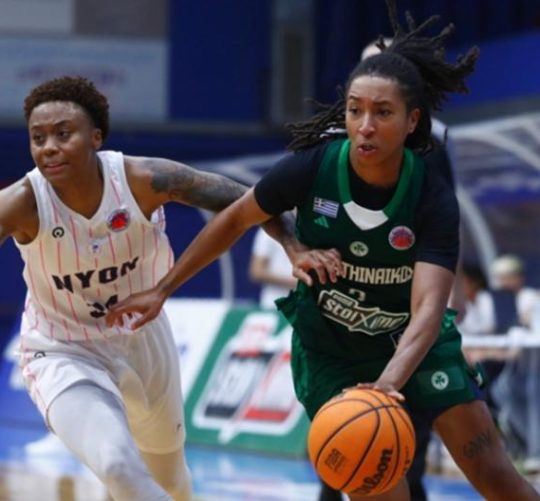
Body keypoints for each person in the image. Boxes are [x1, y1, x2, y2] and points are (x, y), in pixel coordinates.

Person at [106, 1, 540, 499]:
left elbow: (427, 309)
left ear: (412, 120)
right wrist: (163, 289)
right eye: (355, 110)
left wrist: (386, 387)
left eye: (383, 112)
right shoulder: (314, 166)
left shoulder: (432, 194)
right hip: (333, 352)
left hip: (410, 341)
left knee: (493, 472)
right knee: (382, 488)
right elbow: (235, 218)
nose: (365, 125)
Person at [0, 75, 320, 501]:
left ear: (96, 137)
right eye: (38, 138)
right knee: (117, 465)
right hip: (63, 349)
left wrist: (293, 244)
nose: (49, 147)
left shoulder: (144, 178)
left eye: (63, 134)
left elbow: (248, 200)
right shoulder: (20, 202)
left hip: (143, 338)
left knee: (170, 480)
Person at [249, 227, 297, 309]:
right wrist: (294, 282)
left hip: (305, 304)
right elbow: (256, 271)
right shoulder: (267, 231)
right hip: (273, 304)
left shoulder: (311, 230)